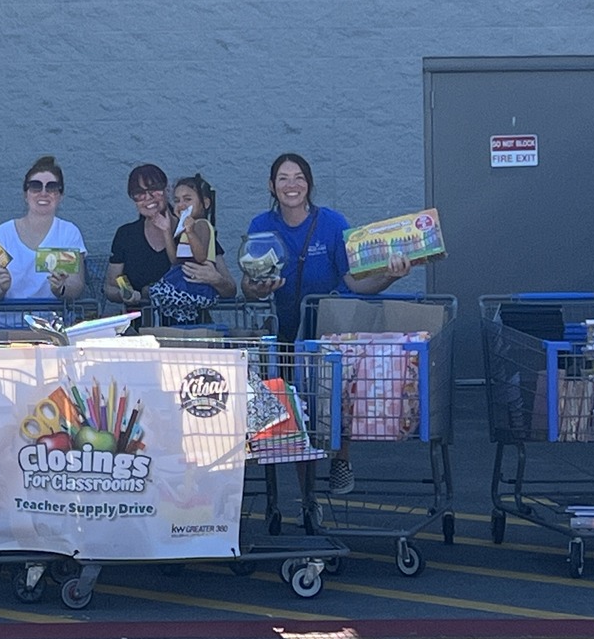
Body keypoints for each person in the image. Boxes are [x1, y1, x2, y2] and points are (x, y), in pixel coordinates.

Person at [240, 152, 409, 493]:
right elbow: (248, 285)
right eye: (284, 178)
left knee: (335, 403)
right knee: (300, 414)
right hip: (285, 332)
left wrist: (389, 278)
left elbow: (355, 282)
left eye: (299, 177)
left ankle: (341, 459)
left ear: (309, 184)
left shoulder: (332, 224)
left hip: (330, 330)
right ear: (272, 186)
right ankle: (308, 496)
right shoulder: (261, 226)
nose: (292, 185)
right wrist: (259, 288)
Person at [0, 155, 87, 303]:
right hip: (7, 321)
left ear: (60, 195)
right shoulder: (4, 233)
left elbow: (76, 285)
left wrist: (60, 289)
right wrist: (0, 287)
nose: (43, 193)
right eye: (35, 186)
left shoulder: (68, 232)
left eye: (52, 187)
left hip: (54, 322)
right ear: (25, 194)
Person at [148, 173, 237, 323]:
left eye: (187, 199)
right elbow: (175, 259)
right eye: (177, 200)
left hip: (194, 281)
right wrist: (166, 231)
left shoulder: (201, 225)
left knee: (161, 292)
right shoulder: (185, 230)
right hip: (183, 272)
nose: (181, 204)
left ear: (205, 203)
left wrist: (190, 232)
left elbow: (200, 256)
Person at [106, 164, 173, 309]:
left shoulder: (190, 230)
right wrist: (125, 294)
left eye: (154, 189)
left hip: (189, 326)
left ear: (167, 189)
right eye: (139, 193)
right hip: (140, 326)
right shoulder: (126, 235)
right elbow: (110, 286)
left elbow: (229, 288)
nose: (148, 197)